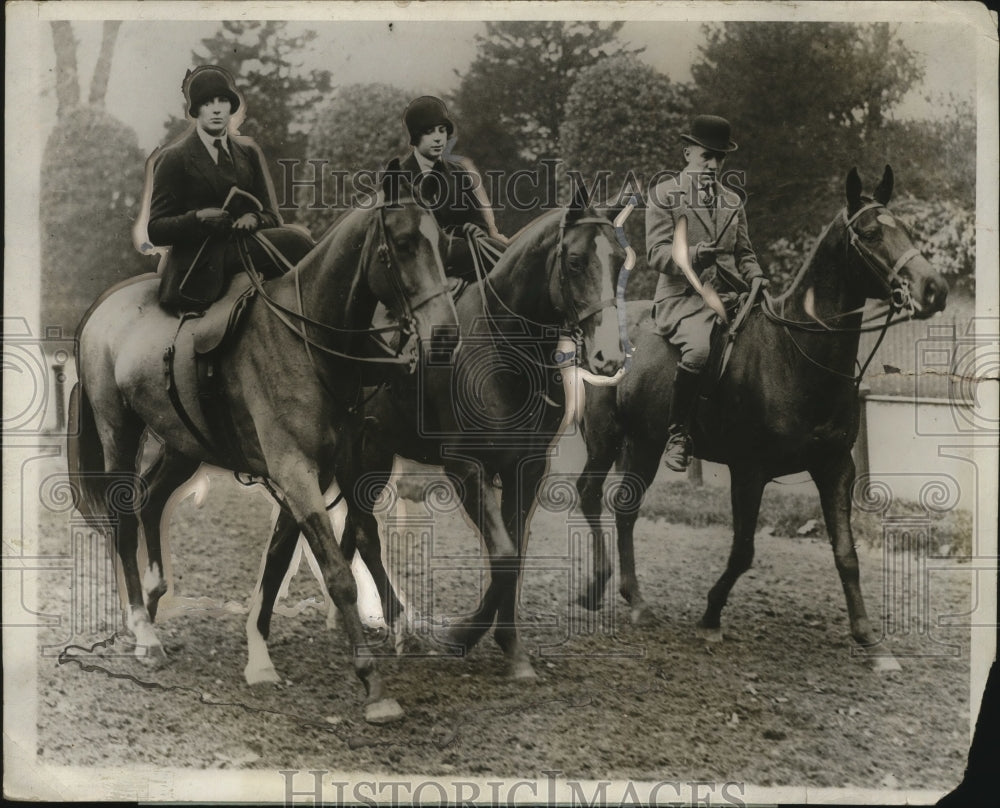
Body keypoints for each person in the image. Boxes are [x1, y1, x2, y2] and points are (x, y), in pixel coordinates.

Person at [645, 114, 768, 471]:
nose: (713, 165)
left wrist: (757, 277)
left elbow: (745, 254)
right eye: (706, 157)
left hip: (729, 298)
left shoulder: (732, 202)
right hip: (682, 299)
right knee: (699, 350)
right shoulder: (665, 195)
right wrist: (694, 255)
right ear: (687, 153)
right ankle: (677, 434)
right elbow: (655, 253)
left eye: (720, 158)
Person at [145, 65, 311, 314]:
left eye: (222, 100)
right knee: (294, 242)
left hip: (245, 249)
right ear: (196, 111)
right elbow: (156, 230)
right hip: (199, 264)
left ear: (230, 107)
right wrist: (198, 219)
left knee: (298, 241)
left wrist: (253, 218)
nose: (216, 108)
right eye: (207, 102)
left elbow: (273, 216)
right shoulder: (174, 158)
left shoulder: (248, 153)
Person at [398, 95, 507, 285]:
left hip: (463, 254)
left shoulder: (458, 172)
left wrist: (474, 229)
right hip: (420, 265)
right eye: (430, 131)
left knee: (505, 256)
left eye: (442, 130)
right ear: (416, 136)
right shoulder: (399, 176)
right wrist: (458, 231)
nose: (438, 137)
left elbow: (478, 221)